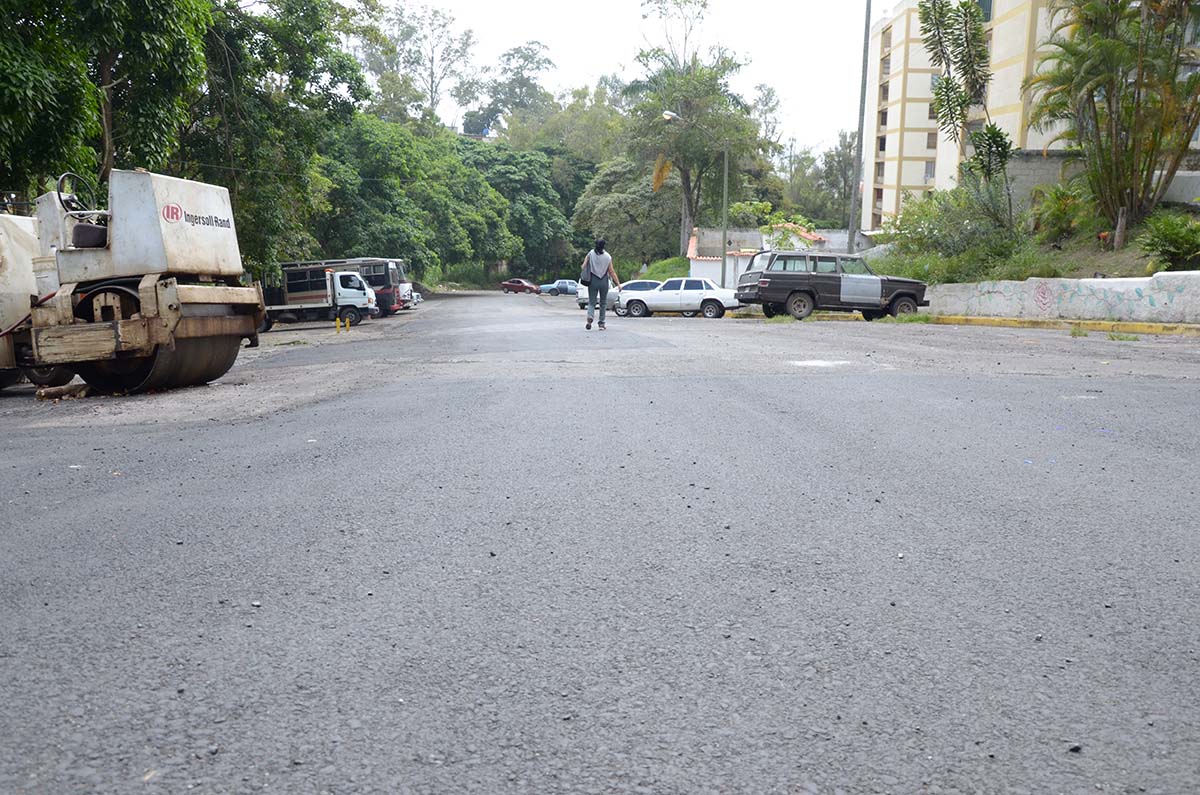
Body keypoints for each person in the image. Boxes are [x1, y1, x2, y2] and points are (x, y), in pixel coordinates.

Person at [581, 239, 621, 330]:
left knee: (592, 302)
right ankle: (601, 323)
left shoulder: (590, 253)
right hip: (603, 280)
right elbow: (611, 271)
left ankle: (590, 318)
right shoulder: (608, 256)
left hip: (593, 280)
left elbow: (583, 266)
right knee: (603, 303)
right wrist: (618, 284)